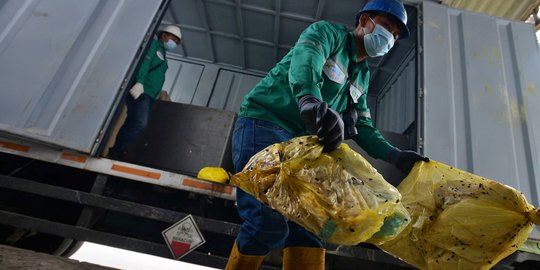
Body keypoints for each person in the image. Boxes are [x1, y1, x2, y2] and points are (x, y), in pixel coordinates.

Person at [225, 0, 429, 269]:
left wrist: (395, 155)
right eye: (387, 26)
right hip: (265, 124)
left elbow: (364, 125)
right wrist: (308, 98)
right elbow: (307, 60)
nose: (389, 37)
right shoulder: (328, 34)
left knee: (310, 227)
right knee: (267, 224)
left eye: (395, 35)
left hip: (303, 147)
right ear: (365, 20)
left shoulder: (362, 75)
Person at [108, 25, 182, 159]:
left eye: (177, 41)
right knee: (139, 123)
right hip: (142, 90)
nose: (174, 43)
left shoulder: (163, 54)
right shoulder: (153, 45)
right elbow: (145, 63)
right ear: (164, 35)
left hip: (149, 96)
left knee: (132, 122)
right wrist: (139, 82)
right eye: (174, 39)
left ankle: (116, 151)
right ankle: (116, 151)